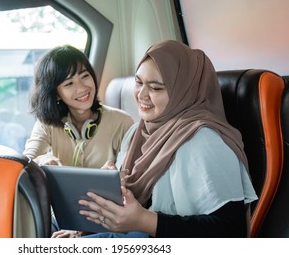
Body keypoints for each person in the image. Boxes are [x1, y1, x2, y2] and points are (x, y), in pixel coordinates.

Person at [78, 40, 258, 238]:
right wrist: (110, 189)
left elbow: (231, 232)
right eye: (138, 83)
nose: (141, 95)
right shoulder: (137, 133)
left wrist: (145, 221)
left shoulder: (203, 141)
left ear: (183, 92)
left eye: (155, 88)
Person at [23, 44, 134, 168]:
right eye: (69, 83)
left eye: (85, 76)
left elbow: (131, 174)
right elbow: (25, 163)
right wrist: (41, 159)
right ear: (56, 94)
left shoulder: (122, 122)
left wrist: (115, 174)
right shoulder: (47, 124)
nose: (82, 88)